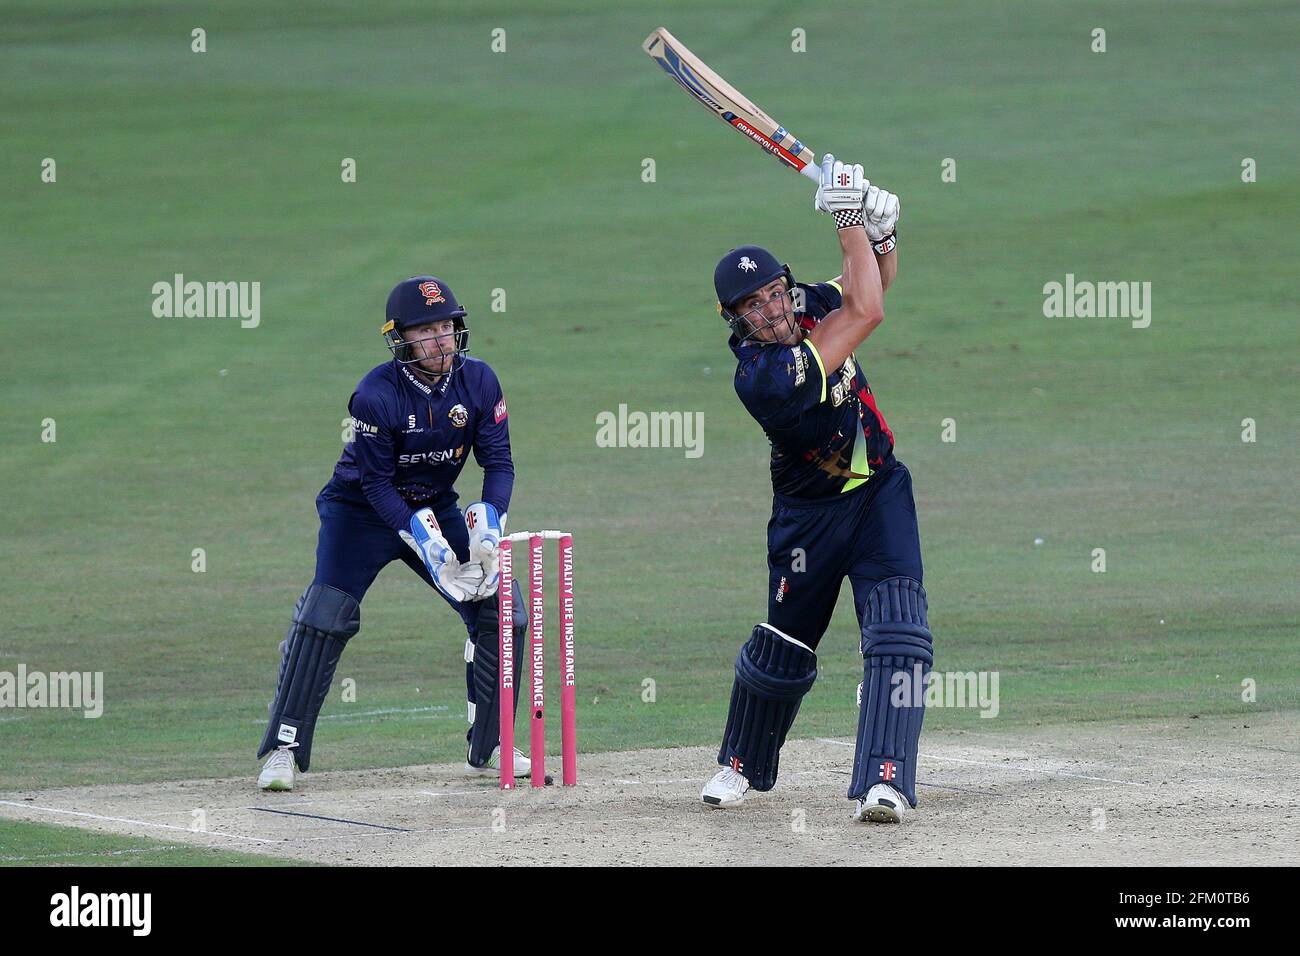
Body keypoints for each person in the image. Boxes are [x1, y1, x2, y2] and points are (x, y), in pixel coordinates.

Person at [699, 155, 933, 823]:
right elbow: (867, 313)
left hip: (879, 491)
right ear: (737, 320)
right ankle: (739, 763)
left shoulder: (800, 305)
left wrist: (881, 238)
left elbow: (872, 285)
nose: (773, 310)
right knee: (786, 645)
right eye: (755, 305)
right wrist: (848, 218)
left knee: (900, 633)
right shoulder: (763, 376)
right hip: (809, 517)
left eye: (776, 292)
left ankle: (886, 780)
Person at [256, 276, 528, 790]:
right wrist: (426, 545)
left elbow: (500, 463)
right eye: (426, 330)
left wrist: (490, 527)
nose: (440, 340)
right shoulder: (375, 394)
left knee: (502, 610)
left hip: (434, 502)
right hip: (360, 511)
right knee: (326, 616)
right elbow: (377, 484)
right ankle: (282, 749)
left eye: (447, 326)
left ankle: (490, 745)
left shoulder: (481, 382)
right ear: (401, 338)